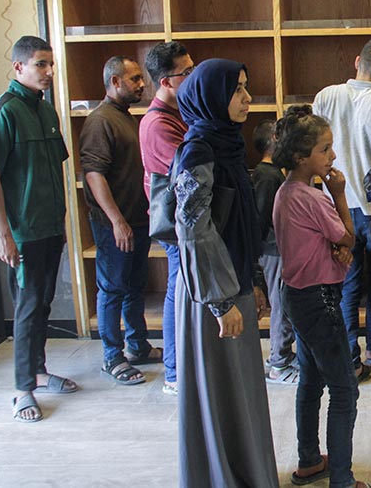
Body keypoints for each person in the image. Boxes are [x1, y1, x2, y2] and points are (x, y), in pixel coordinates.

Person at [173, 58, 278, 487]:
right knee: (219, 390)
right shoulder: (199, 149)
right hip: (210, 292)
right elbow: (194, 229)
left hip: (231, 283)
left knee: (241, 389)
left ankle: (245, 472)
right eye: (237, 90)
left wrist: (252, 280)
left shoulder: (228, 144)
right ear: (212, 96)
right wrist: (219, 301)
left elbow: (240, 221)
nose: (247, 98)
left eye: (245, 87)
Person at [273, 106, 371, 488]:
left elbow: (331, 243)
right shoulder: (314, 197)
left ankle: (308, 460)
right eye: (325, 149)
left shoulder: (286, 192)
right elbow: (348, 237)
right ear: (303, 157)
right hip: (319, 300)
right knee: (344, 388)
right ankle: (343, 479)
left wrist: (337, 247)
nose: (332, 156)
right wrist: (339, 195)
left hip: (298, 297)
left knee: (311, 380)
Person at [0, 35, 77, 423]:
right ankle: (23, 390)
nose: (49, 72)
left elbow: (54, 168)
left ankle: (38, 371)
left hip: (51, 226)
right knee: (26, 308)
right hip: (23, 232)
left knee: (43, 302)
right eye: (41, 64)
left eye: (51, 64)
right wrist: (3, 233)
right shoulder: (3, 111)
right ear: (18, 67)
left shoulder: (46, 111)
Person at [312, 37, 371, 377]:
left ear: (356, 61)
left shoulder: (325, 96)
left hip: (335, 203)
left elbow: (312, 145)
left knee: (347, 282)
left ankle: (351, 357)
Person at [80, 56, 159, 385]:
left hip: (136, 221)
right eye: (134, 79)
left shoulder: (127, 118)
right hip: (116, 224)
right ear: (114, 82)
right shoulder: (100, 121)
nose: (141, 84)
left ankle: (137, 345)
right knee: (112, 288)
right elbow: (93, 175)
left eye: (141, 79)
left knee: (133, 287)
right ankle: (112, 357)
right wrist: (116, 221)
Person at [139, 41, 195, 396]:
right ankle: (173, 371)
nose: (193, 77)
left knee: (184, 288)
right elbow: (189, 166)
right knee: (177, 290)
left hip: (184, 220)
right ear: (165, 81)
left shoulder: (178, 113)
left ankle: (181, 365)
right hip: (175, 225)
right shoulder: (158, 124)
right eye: (186, 73)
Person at [250, 118, 298, 384]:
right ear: (273, 142)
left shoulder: (273, 173)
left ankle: (281, 357)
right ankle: (279, 363)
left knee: (284, 304)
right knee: (281, 307)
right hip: (273, 251)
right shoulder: (267, 176)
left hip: (277, 250)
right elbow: (260, 219)